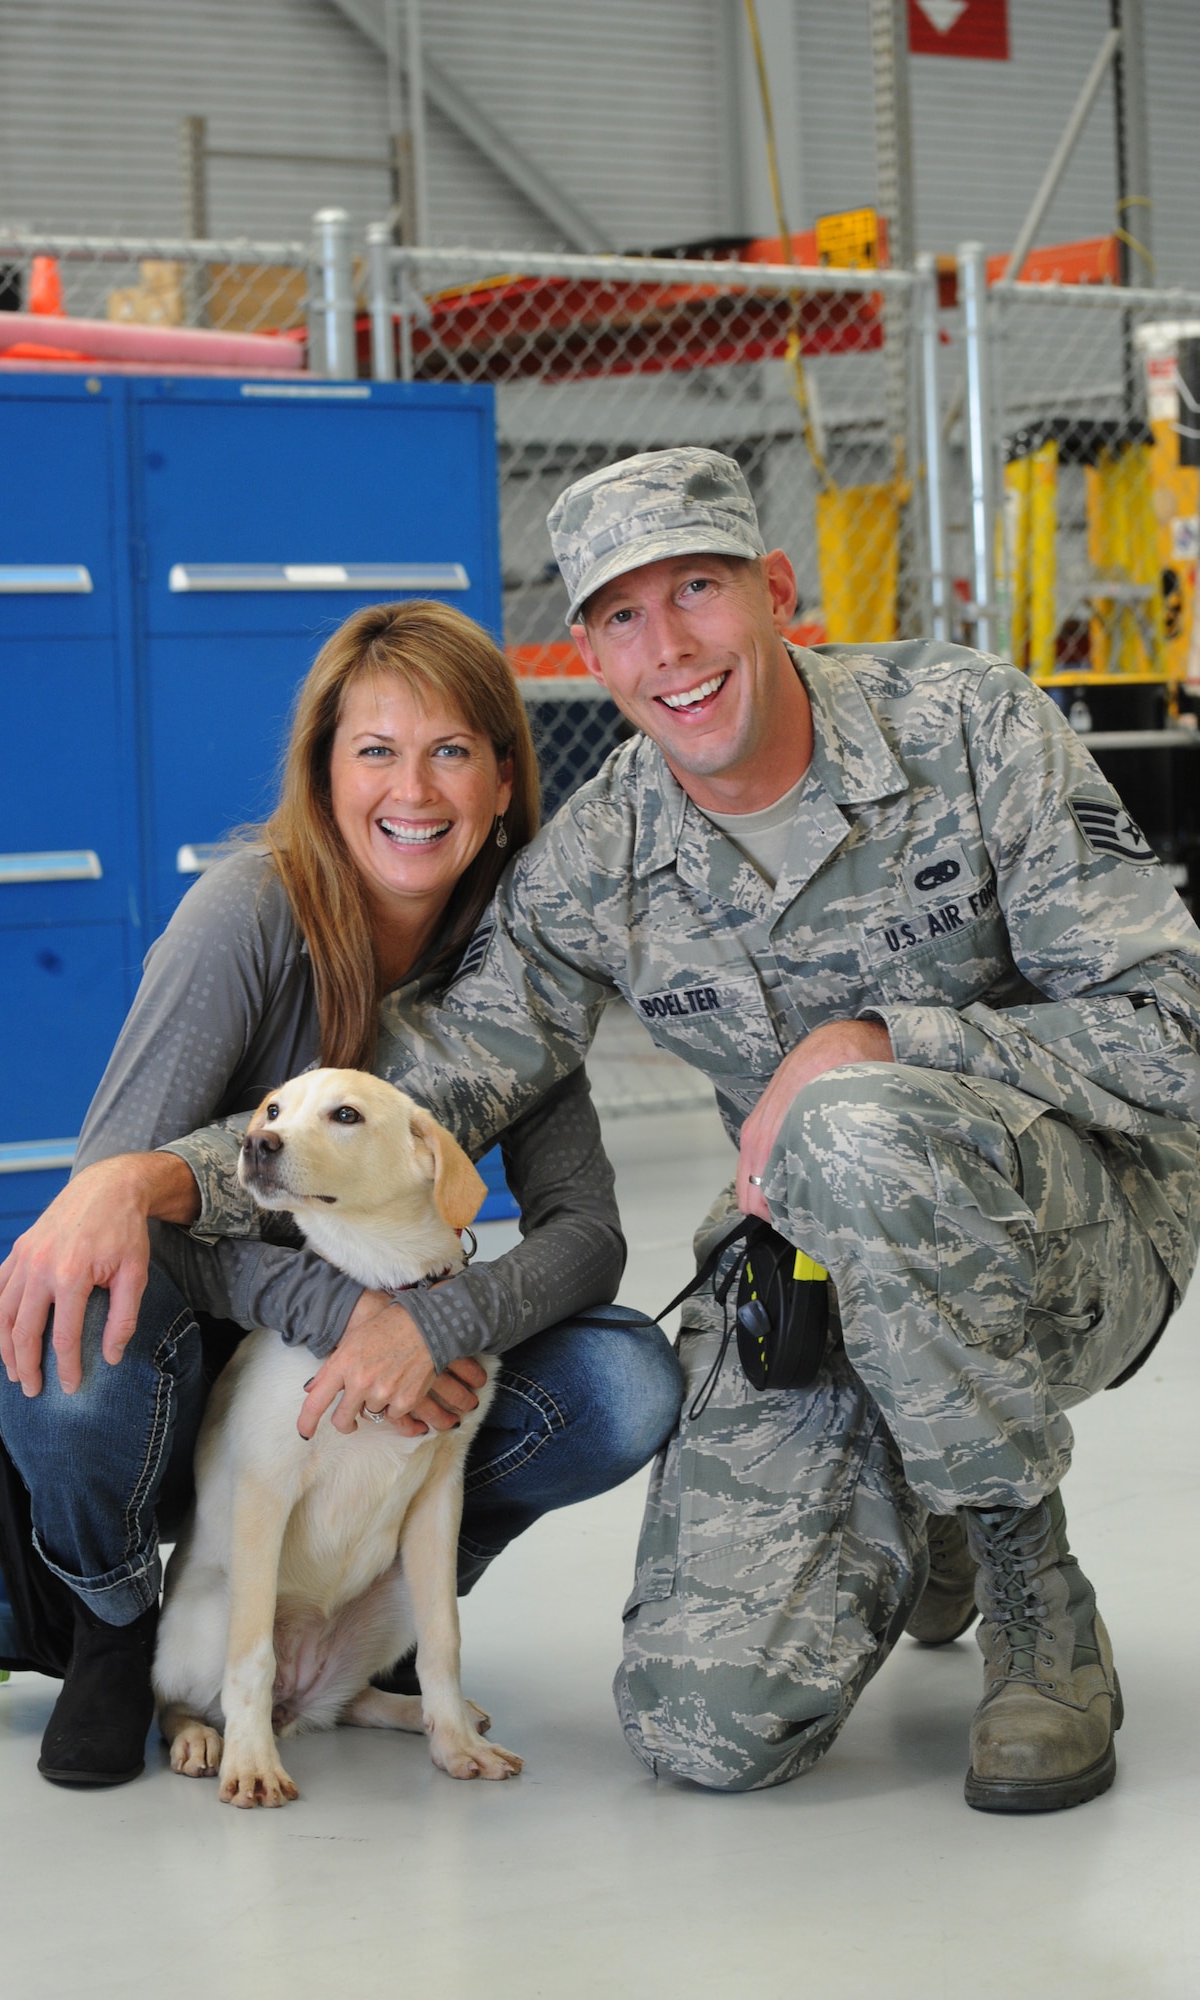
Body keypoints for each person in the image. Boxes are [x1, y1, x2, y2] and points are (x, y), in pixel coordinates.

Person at [171, 447, 1200, 1811]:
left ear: (777, 593)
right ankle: (922, 1485)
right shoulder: (602, 860)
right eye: (621, 616)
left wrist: (879, 1042)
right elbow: (438, 1082)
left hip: (1075, 1244)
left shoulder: (969, 724)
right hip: (815, 1285)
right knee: (705, 1733)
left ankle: (1034, 1592)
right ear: (588, 651)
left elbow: (1171, 1025)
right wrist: (147, 1188)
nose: (671, 647)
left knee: (850, 1121)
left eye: (700, 590)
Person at [0, 598, 683, 1790]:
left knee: (622, 1380)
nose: (413, 789)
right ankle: (115, 1623)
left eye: (452, 749)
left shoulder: (518, 963)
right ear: (323, 774)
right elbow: (113, 1201)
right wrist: (344, 1313)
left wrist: (436, 1322)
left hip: (389, 1376)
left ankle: (387, 1605)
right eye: (376, 750)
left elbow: (588, 1232)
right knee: (73, 1348)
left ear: (506, 780)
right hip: (201, 1358)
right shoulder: (247, 916)